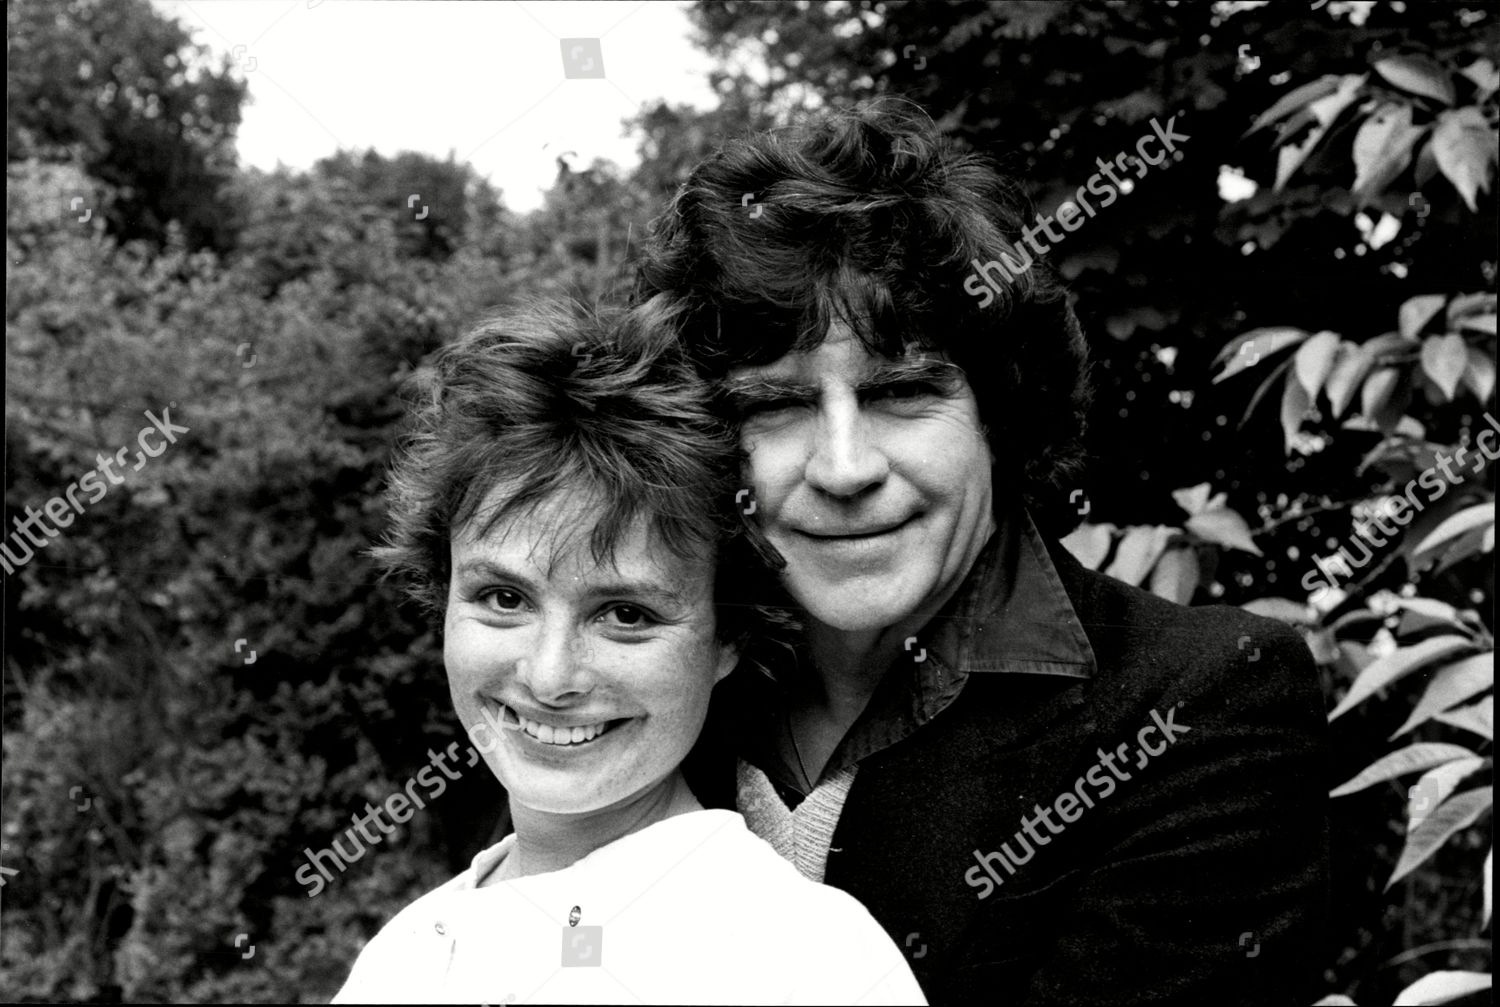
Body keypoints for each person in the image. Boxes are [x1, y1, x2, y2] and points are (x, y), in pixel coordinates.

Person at [636, 98, 1331, 1006]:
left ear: (1000, 417)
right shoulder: (644, 681)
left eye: (901, 392)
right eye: (774, 404)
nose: (844, 467)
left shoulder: (1201, 709)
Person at [332, 300, 926, 1005]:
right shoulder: (401, 952)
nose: (550, 676)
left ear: (728, 636)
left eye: (625, 614)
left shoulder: (807, 962)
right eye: (504, 598)